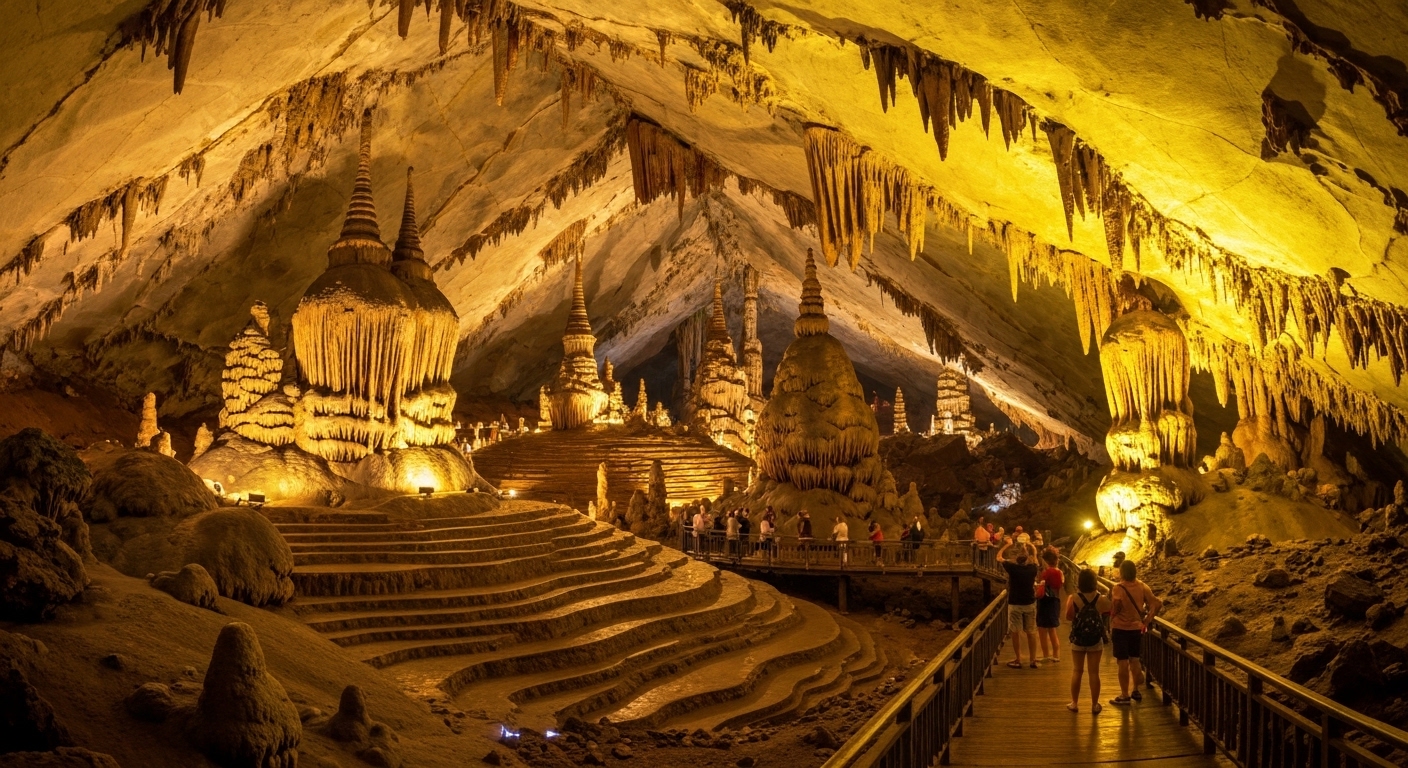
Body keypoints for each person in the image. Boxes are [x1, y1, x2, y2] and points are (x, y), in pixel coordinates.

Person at [1109, 559, 1161, 706]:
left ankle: (1124, 695)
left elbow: (1116, 607)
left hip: (1120, 628)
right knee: (1135, 659)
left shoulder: (1118, 588)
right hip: (1136, 629)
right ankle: (1136, 690)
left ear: (1122, 572)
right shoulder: (1142, 586)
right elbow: (1157, 603)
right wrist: (1147, 621)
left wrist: (1111, 617)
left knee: (1122, 661)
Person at [1065, 568, 1111, 713]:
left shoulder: (1073, 598)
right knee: (1094, 672)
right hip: (1095, 640)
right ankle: (1095, 704)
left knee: (1077, 671)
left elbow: (1068, 616)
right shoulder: (1100, 599)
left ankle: (1074, 703)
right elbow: (1110, 610)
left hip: (1078, 639)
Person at [998, 540, 1039, 668]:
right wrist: (1031, 546)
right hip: (1029, 603)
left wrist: (1007, 545)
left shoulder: (1012, 568)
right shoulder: (1033, 568)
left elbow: (999, 557)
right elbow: (1035, 558)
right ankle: (1033, 660)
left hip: (1015, 603)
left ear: (1017, 558)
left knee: (1015, 632)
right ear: (1027, 558)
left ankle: (1018, 659)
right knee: (1031, 632)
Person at [1036, 549, 1064, 663]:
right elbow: (1060, 585)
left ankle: (1046, 655)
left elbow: (1041, 585)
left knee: (1042, 629)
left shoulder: (1046, 572)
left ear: (1046, 560)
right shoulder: (1060, 572)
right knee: (1052, 629)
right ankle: (1056, 655)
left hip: (1045, 601)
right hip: (1055, 601)